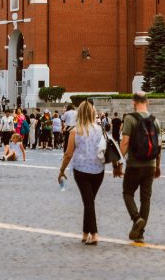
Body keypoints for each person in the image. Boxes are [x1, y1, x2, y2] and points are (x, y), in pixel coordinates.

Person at [59, 100, 104, 245]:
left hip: (81, 170)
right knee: (89, 201)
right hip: (98, 170)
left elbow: (68, 154)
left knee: (88, 201)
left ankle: (94, 234)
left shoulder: (75, 131)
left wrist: (61, 170)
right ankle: (85, 233)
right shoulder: (99, 129)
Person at [120, 92, 161, 243]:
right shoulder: (155, 121)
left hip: (134, 164)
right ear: (147, 102)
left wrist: (118, 161)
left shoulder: (130, 119)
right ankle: (140, 233)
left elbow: (125, 143)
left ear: (133, 102)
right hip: (150, 164)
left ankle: (136, 219)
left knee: (127, 193)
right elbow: (159, 146)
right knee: (146, 198)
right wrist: (158, 165)